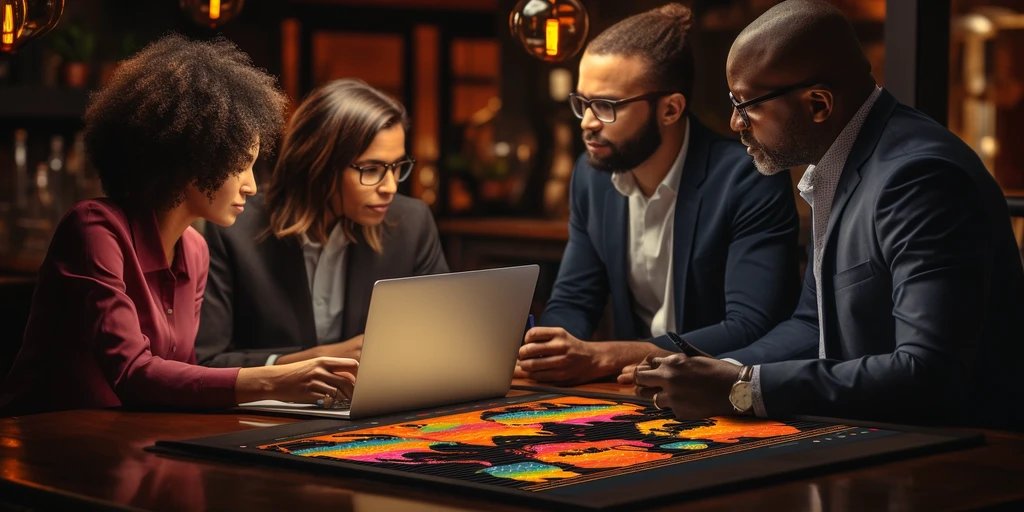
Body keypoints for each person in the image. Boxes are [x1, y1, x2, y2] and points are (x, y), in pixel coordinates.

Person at [634, 0, 1024, 430]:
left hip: (964, 460)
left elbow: (928, 372)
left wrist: (744, 387)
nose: (734, 122)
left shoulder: (919, 178)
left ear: (818, 104)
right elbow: (811, 324)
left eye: (746, 104)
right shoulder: (843, 161)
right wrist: (712, 372)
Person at [0, 35, 358, 416]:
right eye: (241, 165)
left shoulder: (195, 250)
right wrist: (278, 379)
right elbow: (132, 374)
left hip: (125, 445)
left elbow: (180, 379)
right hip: (42, 444)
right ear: (192, 160)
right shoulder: (93, 229)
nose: (252, 185)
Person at [516, 3, 801, 386]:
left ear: (670, 109)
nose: (587, 122)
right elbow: (573, 301)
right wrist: (547, 350)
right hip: (631, 391)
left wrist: (607, 355)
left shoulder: (747, 179)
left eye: (605, 106)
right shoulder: (591, 176)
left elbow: (750, 325)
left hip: (719, 392)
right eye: (582, 102)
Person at [195, 78, 448, 368]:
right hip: (266, 411)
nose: (390, 186)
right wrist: (312, 360)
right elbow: (206, 361)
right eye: (372, 169)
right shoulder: (235, 227)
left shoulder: (411, 222)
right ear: (318, 164)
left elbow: (439, 342)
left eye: (397, 167)